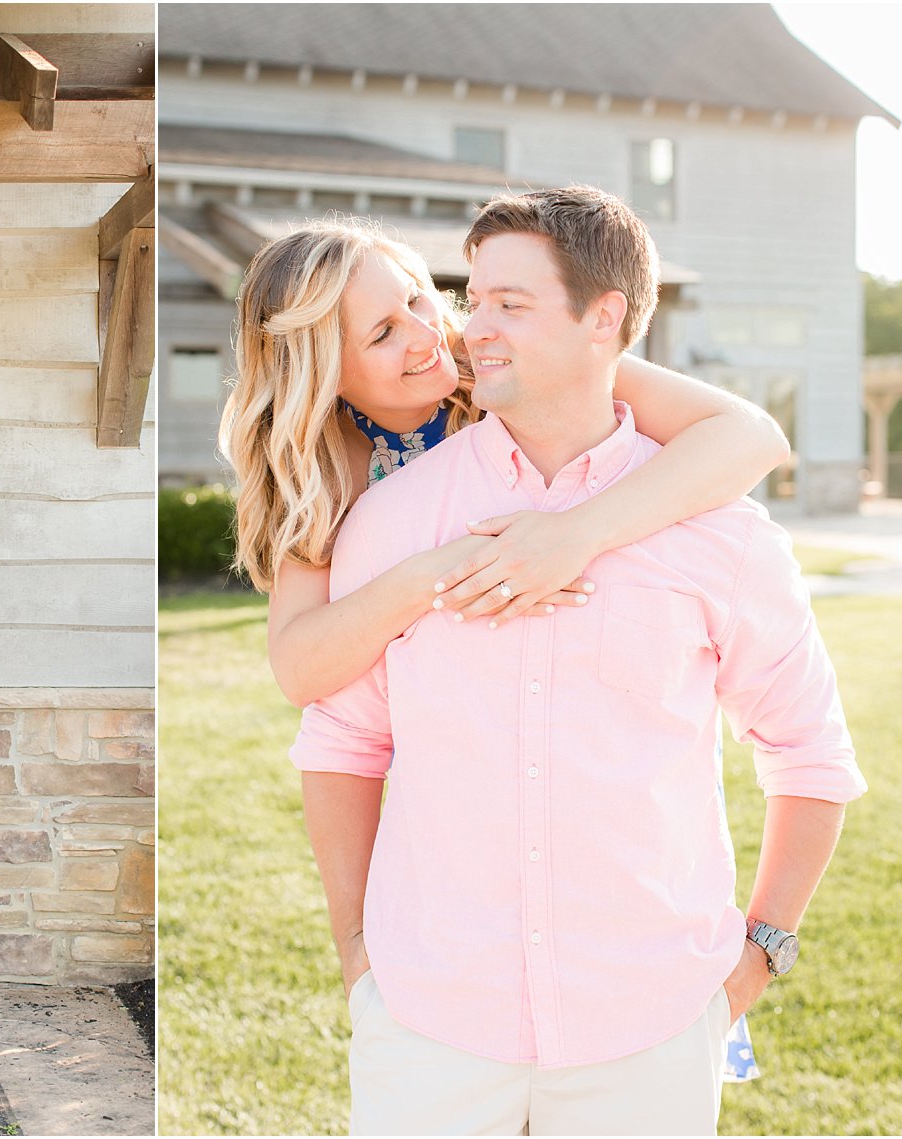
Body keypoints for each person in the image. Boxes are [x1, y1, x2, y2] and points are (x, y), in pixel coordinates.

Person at [289, 186, 866, 1135]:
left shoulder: (722, 535)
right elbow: (343, 740)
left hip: (653, 1024)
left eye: (510, 304)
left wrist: (760, 950)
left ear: (606, 320)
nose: (474, 330)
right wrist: (359, 952)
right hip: (428, 1021)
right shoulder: (389, 524)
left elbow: (810, 752)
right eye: (472, 299)